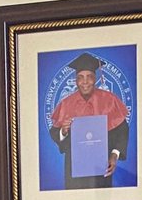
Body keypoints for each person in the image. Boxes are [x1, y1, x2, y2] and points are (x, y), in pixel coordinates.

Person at [47, 52, 129, 189]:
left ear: (95, 78)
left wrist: (114, 155)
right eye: (80, 78)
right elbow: (55, 133)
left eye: (89, 77)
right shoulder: (66, 104)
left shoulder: (109, 100)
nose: (85, 82)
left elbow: (122, 130)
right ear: (76, 80)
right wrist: (63, 131)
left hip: (102, 167)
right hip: (74, 169)